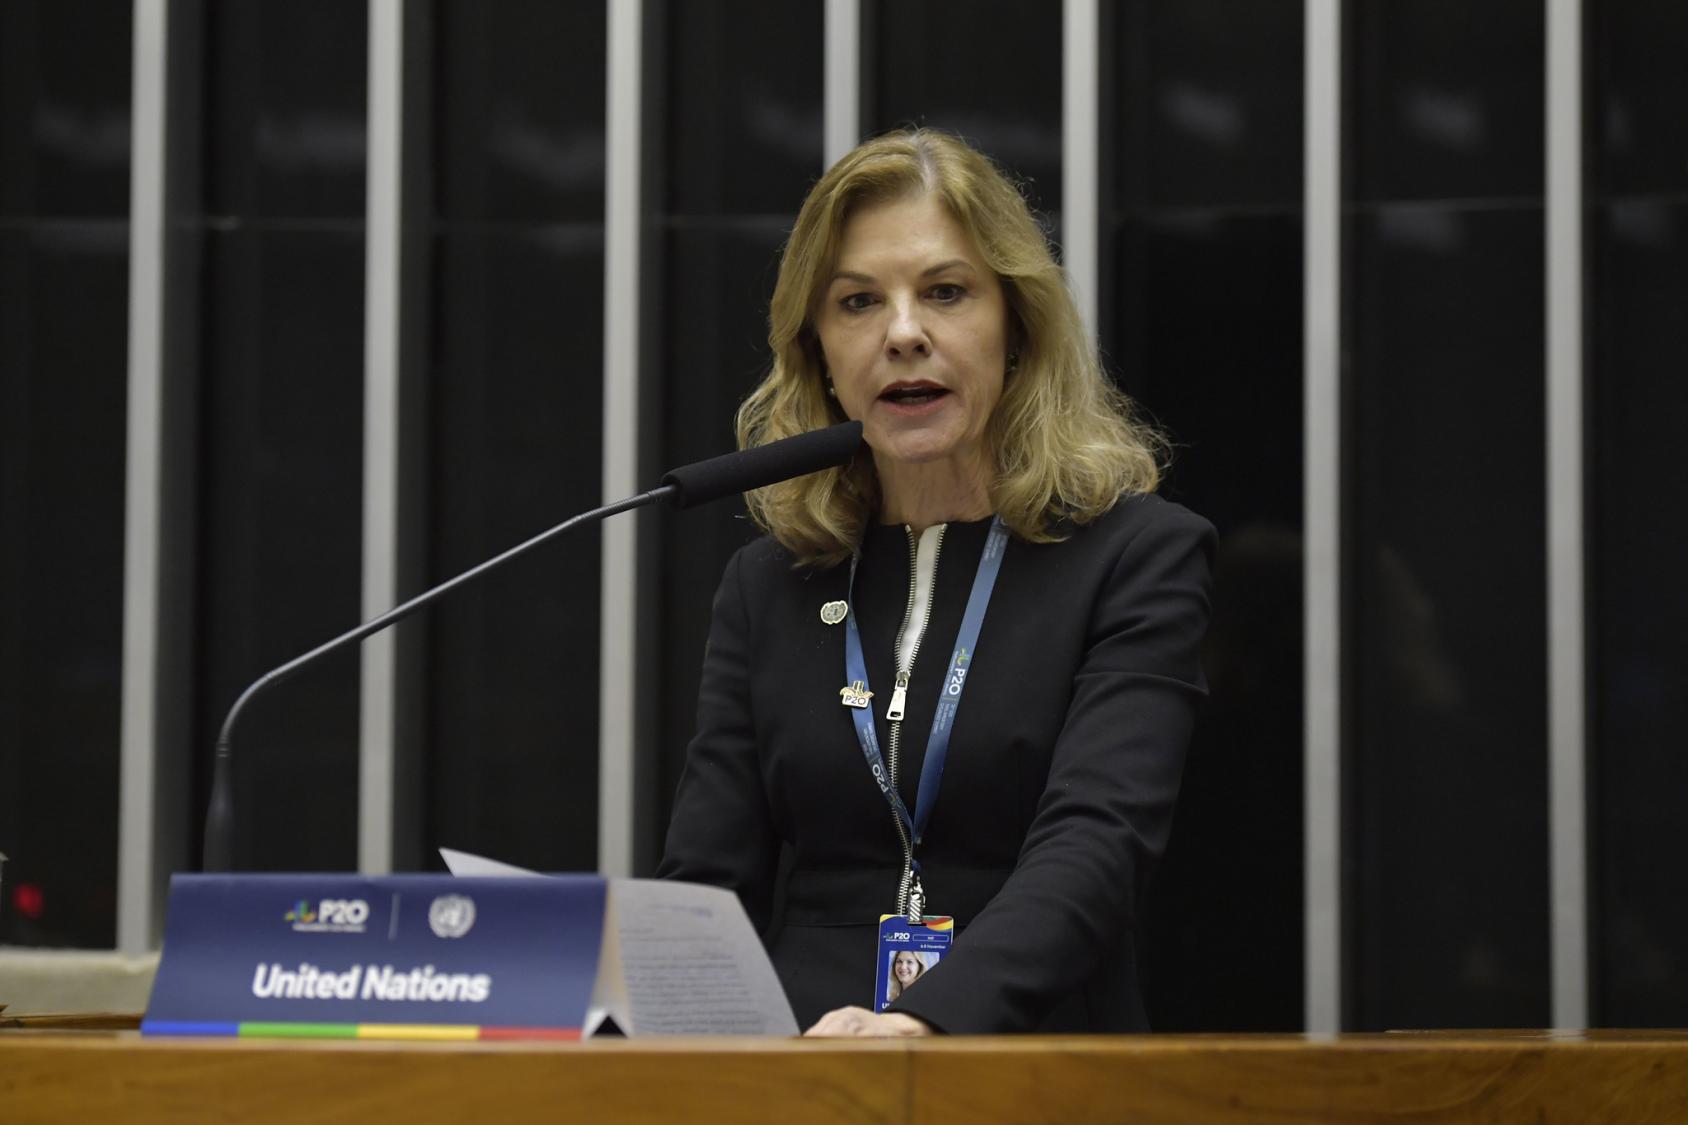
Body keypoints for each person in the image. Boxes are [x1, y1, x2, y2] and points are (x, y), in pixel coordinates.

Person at [656, 128, 1214, 1036]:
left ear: (1017, 326)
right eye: (858, 302)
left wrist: (927, 1025)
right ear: (822, 354)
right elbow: (707, 889)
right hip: (803, 1074)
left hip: (1033, 1061)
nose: (904, 332)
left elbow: (1096, 848)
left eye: (947, 293)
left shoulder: (1134, 557)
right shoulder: (770, 584)